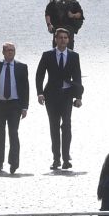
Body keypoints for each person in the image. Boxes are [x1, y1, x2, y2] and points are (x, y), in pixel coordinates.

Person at [33, 28, 84, 173]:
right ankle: (56, 158)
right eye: (60, 38)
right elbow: (39, 75)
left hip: (67, 95)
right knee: (54, 126)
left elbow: (78, 77)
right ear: (55, 39)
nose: (63, 40)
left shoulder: (74, 56)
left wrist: (79, 97)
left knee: (66, 125)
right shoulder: (48, 55)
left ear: (68, 40)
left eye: (65, 38)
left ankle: (66, 158)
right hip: (51, 95)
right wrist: (40, 93)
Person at [0, 42, 30, 175]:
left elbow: (25, 88)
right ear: (3, 52)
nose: (10, 52)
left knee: (13, 133)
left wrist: (25, 107)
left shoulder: (21, 67)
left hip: (14, 105)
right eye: (8, 50)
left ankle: (14, 162)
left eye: (12, 50)